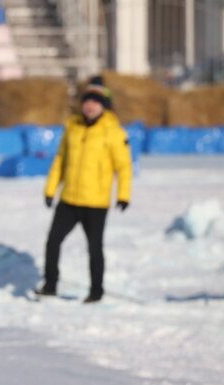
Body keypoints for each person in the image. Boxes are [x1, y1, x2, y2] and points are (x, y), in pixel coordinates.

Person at [38, 76, 133, 304]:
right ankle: (50, 284)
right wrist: (50, 189)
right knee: (53, 242)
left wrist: (123, 195)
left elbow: (124, 167)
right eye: (87, 101)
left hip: (95, 202)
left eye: (95, 102)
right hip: (69, 198)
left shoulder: (113, 132)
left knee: (94, 248)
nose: (90, 106)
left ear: (104, 106)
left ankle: (96, 291)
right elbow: (61, 159)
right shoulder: (72, 127)